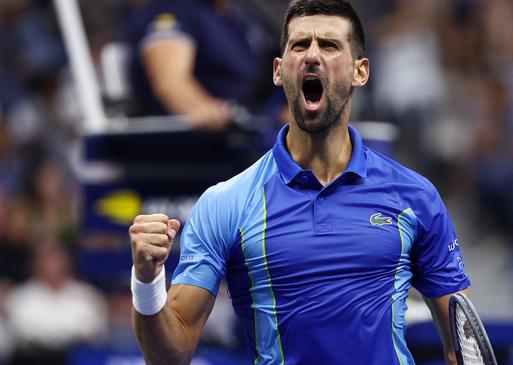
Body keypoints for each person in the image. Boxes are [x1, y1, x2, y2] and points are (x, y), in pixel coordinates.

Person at [128, 1, 470, 364]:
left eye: (329, 45)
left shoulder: (415, 196)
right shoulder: (226, 202)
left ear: (360, 71)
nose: (312, 55)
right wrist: (147, 280)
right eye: (299, 45)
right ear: (279, 71)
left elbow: (463, 348)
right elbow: (170, 356)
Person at [128, 0, 274, 129]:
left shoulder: (240, 16)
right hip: (214, 141)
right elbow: (170, 82)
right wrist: (203, 109)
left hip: (258, 122)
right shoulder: (171, 9)